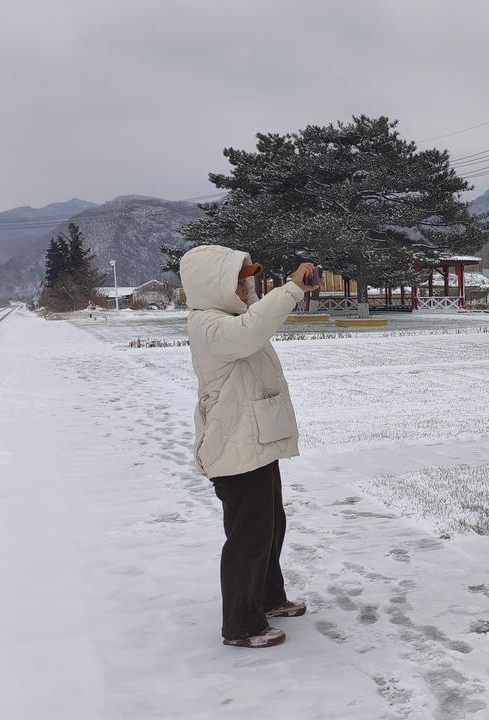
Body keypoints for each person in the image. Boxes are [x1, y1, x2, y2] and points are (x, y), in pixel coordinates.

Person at [179, 245, 321, 648]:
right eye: (239, 281)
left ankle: (268, 598)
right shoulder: (209, 325)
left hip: (253, 441)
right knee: (249, 536)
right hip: (233, 447)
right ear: (215, 285)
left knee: (271, 525)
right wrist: (292, 289)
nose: (247, 287)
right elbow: (252, 331)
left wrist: (286, 292)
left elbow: (257, 320)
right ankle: (241, 623)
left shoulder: (233, 317)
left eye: (248, 279)